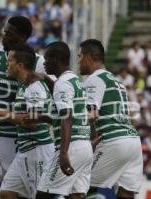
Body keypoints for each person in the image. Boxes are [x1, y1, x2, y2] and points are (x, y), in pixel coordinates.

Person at [0, 16, 45, 184]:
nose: (4, 36)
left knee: (16, 191)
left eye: (9, 33)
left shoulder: (38, 62)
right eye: (4, 32)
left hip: (15, 137)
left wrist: (3, 113)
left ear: (23, 38)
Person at [0, 43, 54, 199]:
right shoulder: (23, 86)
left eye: (10, 61)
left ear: (20, 66)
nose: (6, 65)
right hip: (24, 150)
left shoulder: (34, 86)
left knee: (39, 196)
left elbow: (32, 121)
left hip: (37, 150)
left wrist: (0, 113)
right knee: (7, 192)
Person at [79, 39, 143, 199]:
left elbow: (92, 115)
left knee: (79, 186)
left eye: (80, 57)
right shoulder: (117, 81)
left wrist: (64, 119)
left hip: (114, 141)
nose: (78, 61)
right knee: (126, 193)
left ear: (88, 57)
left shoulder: (94, 79)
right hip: (133, 142)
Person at [36, 41, 93, 199]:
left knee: (43, 195)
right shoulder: (74, 81)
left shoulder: (63, 83)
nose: (44, 63)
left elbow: (66, 117)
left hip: (71, 147)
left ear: (55, 59)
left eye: (46, 59)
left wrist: (63, 152)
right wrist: (45, 79)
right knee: (76, 196)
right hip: (84, 146)